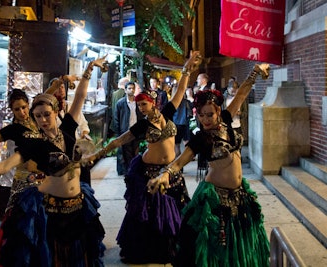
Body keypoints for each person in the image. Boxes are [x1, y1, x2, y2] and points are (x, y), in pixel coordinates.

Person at [0, 56, 108, 267]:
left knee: (78, 257)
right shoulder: (34, 144)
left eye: (46, 114)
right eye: (38, 116)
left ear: (56, 112)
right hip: (50, 207)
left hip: (77, 203)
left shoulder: (68, 128)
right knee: (51, 256)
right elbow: (4, 166)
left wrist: (88, 69)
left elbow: (80, 96)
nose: (42, 120)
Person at [84, 51, 203, 264]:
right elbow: (120, 140)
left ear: (153, 102)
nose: (141, 108)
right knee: (149, 215)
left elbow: (181, 90)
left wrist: (186, 68)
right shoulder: (142, 125)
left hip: (171, 170)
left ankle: (174, 248)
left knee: (176, 209)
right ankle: (151, 251)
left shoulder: (166, 112)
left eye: (144, 104)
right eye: (139, 106)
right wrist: (97, 154)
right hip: (148, 172)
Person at [147, 63, 271, 267]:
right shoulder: (201, 138)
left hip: (240, 195)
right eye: (201, 115)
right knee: (213, 247)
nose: (205, 120)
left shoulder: (228, 121)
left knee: (238, 246)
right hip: (215, 198)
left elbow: (240, 95)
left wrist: (255, 72)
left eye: (210, 114)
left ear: (219, 112)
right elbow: (179, 162)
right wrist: (164, 175)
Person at [44, 75, 93, 185]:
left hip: (75, 150)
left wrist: (84, 136)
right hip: (59, 152)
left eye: (62, 86)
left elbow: (83, 125)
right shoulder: (47, 112)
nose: (61, 89)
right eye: (57, 87)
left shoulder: (70, 105)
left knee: (83, 179)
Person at [114, 81, 143, 175]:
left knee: (135, 150)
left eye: (133, 88)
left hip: (136, 130)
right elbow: (116, 118)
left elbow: (141, 115)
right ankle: (129, 171)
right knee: (127, 152)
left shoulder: (138, 102)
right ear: (125, 90)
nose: (131, 90)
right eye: (129, 88)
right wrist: (118, 133)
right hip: (125, 131)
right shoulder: (121, 103)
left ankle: (133, 170)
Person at [172, 85, 194, 158]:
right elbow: (191, 112)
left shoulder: (172, 103)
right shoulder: (186, 102)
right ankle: (182, 161)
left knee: (176, 146)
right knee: (186, 144)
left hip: (175, 125)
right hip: (185, 124)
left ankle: (177, 164)